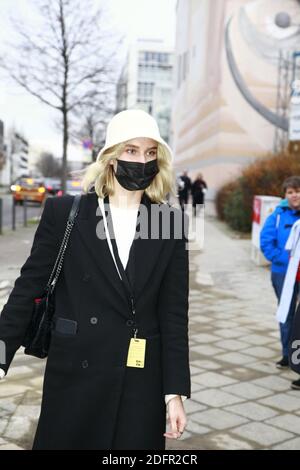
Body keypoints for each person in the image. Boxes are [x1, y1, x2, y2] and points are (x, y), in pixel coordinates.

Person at [0, 109, 191, 450]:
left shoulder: (169, 223)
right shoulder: (66, 213)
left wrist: (174, 393)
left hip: (139, 379)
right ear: (110, 158)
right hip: (75, 372)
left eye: (150, 153)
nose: (141, 161)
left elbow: (173, 316)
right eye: (131, 151)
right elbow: (28, 288)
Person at [260, 176, 300, 382]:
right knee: (286, 314)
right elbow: (266, 241)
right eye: (290, 192)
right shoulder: (277, 215)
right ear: (285, 195)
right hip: (283, 273)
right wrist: (284, 259)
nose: (295, 195)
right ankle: (288, 354)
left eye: (298, 190)